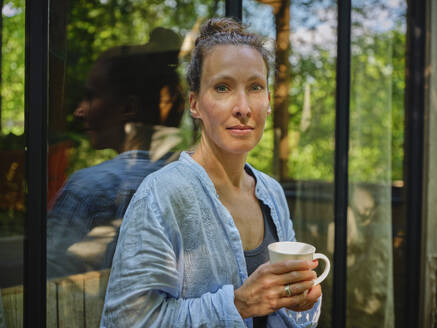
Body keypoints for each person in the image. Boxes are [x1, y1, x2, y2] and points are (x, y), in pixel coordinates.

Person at [101, 18, 322, 327]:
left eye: (255, 87)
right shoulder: (162, 195)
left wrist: (301, 302)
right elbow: (127, 322)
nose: (243, 107)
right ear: (195, 104)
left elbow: (285, 310)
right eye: (222, 87)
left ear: (268, 102)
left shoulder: (272, 192)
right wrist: (239, 304)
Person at [47, 27, 185, 279]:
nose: (79, 111)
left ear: (128, 107)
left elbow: (49, 284)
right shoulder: (190, 177)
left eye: (90, 97)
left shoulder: (87, 190)